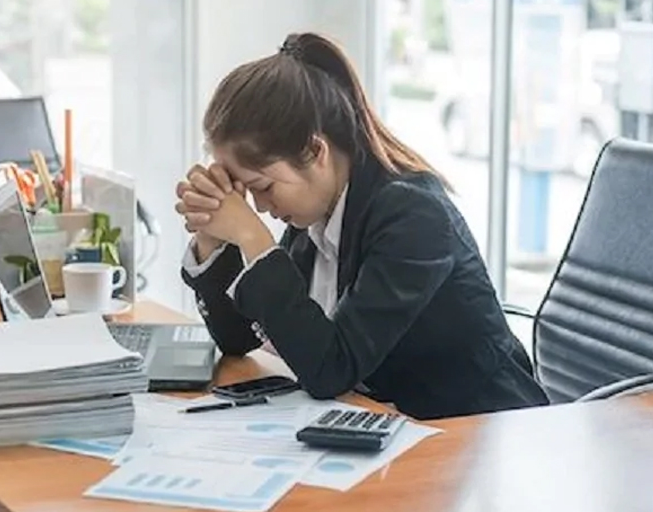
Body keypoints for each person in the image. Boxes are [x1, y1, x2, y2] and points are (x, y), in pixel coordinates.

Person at [175, 32, 549, 420]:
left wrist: (252, 237)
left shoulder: (413, 216)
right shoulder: (314, 214)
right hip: (392, 421)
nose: (261, 208)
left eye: (263, 187)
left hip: (483, 426)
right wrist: (211, 237)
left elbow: (331, 369)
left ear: (315, 151)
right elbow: (239, 339)